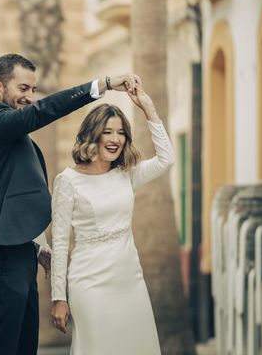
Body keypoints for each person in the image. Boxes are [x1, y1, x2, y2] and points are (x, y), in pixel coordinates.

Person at [0, 53, 139, 355]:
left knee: (22, 349)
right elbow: (41, 113)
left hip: (18, 254)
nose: (30, 97)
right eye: (23, 89)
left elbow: (15, 197)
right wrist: (103, 84)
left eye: (33, 90)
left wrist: (37, 245)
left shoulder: (16, 139)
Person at [50, 86, 174, 355]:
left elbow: (167, 160)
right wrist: (58, 297)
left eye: (120, 133)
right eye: (107, 131)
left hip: (130, 281)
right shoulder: (68, 181)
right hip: (89, 284)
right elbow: (59, 243)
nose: (115, 139)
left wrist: (148, 109)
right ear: (91, 135)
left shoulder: (126, 175)